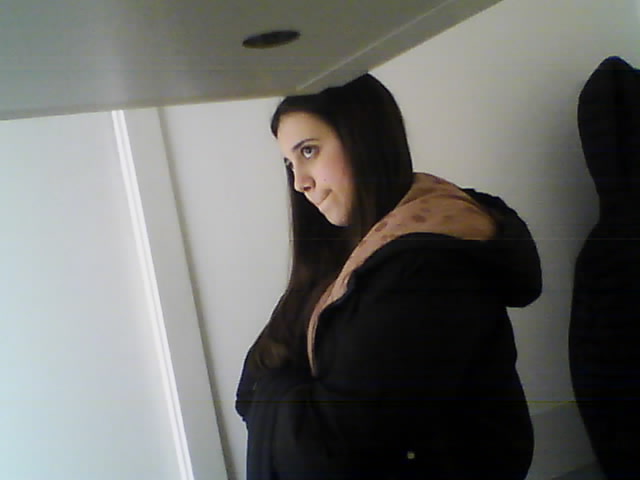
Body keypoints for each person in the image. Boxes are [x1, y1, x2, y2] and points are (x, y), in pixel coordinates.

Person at [235, 73, 541, 479]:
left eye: (309, 151)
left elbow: (338, 448)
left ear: (364, 137)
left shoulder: (423, 267)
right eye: (290, 163)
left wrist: (275, 389)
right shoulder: (348, 248)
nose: (300, 182)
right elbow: (252, 384)